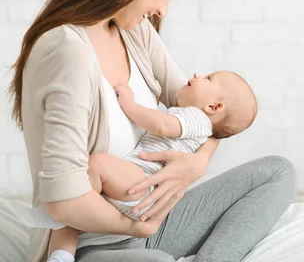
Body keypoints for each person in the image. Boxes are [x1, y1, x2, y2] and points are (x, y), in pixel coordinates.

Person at [9, 0, 297, 262]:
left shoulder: (134, 32)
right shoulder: (68, 51)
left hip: (152, 215)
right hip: (96, 238)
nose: (162, 9)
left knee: (278, 172)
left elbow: (205, 113)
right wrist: (136, 227)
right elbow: (63, 200)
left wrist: (196, 165)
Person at [24, 70, 259, 262]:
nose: (197, 74)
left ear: (213, 107)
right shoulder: (196, 123)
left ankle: (60, 210)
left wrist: (128, 103)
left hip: (143, 181)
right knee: (73, 218)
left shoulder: (196, 119)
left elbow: (162, 125)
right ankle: (60, 255)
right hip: (140, 190)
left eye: (208, 78)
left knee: (96, 165)